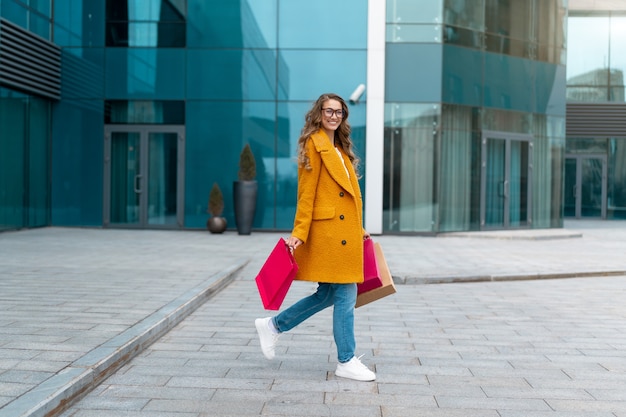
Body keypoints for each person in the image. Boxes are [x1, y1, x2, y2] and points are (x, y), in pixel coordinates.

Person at [255, 93, 375, 382]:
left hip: (344, 233)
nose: (334, 116)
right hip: (328, 234)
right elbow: (306, 194)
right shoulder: (315, 144)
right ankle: (346, 360)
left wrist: (358, 229)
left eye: (339, 112)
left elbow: (349, 198)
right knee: (346, 294)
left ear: (343, 116)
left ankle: (273, 326)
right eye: (328, 111)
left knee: (328, 294)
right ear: (319, 114)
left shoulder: (341, 148)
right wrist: (298, 232)